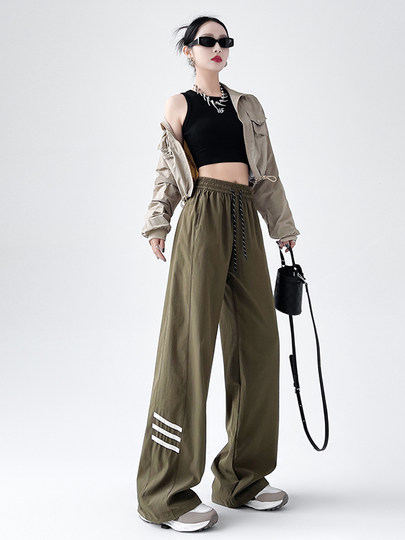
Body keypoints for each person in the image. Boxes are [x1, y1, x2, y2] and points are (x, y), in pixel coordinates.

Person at [136, 15, 300, 532]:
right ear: (188, 50)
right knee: (188, 347)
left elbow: (266, 170)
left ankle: (241, 478)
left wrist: (282, 225)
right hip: (202, 215)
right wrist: (157, 222)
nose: (218, 47)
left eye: (225, 41)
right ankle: (165, 492)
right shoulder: (178, 105)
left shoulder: (248, 105)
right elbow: (166, 171)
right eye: (207, 41)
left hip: (245, 215)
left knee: (258, 344)